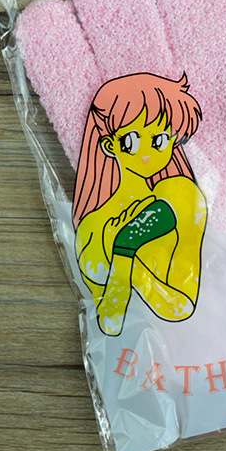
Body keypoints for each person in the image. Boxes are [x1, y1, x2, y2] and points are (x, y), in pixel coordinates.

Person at [72, 72, 206, 336]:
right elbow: (110, 325)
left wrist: (126, 247)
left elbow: (182, 306)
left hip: (200, 331)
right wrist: (122, 248)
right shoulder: (93, 227)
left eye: (159, 140)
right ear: (109, 145)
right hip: (137, 349)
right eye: (131, 142)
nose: (147, 154)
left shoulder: (179, 193)